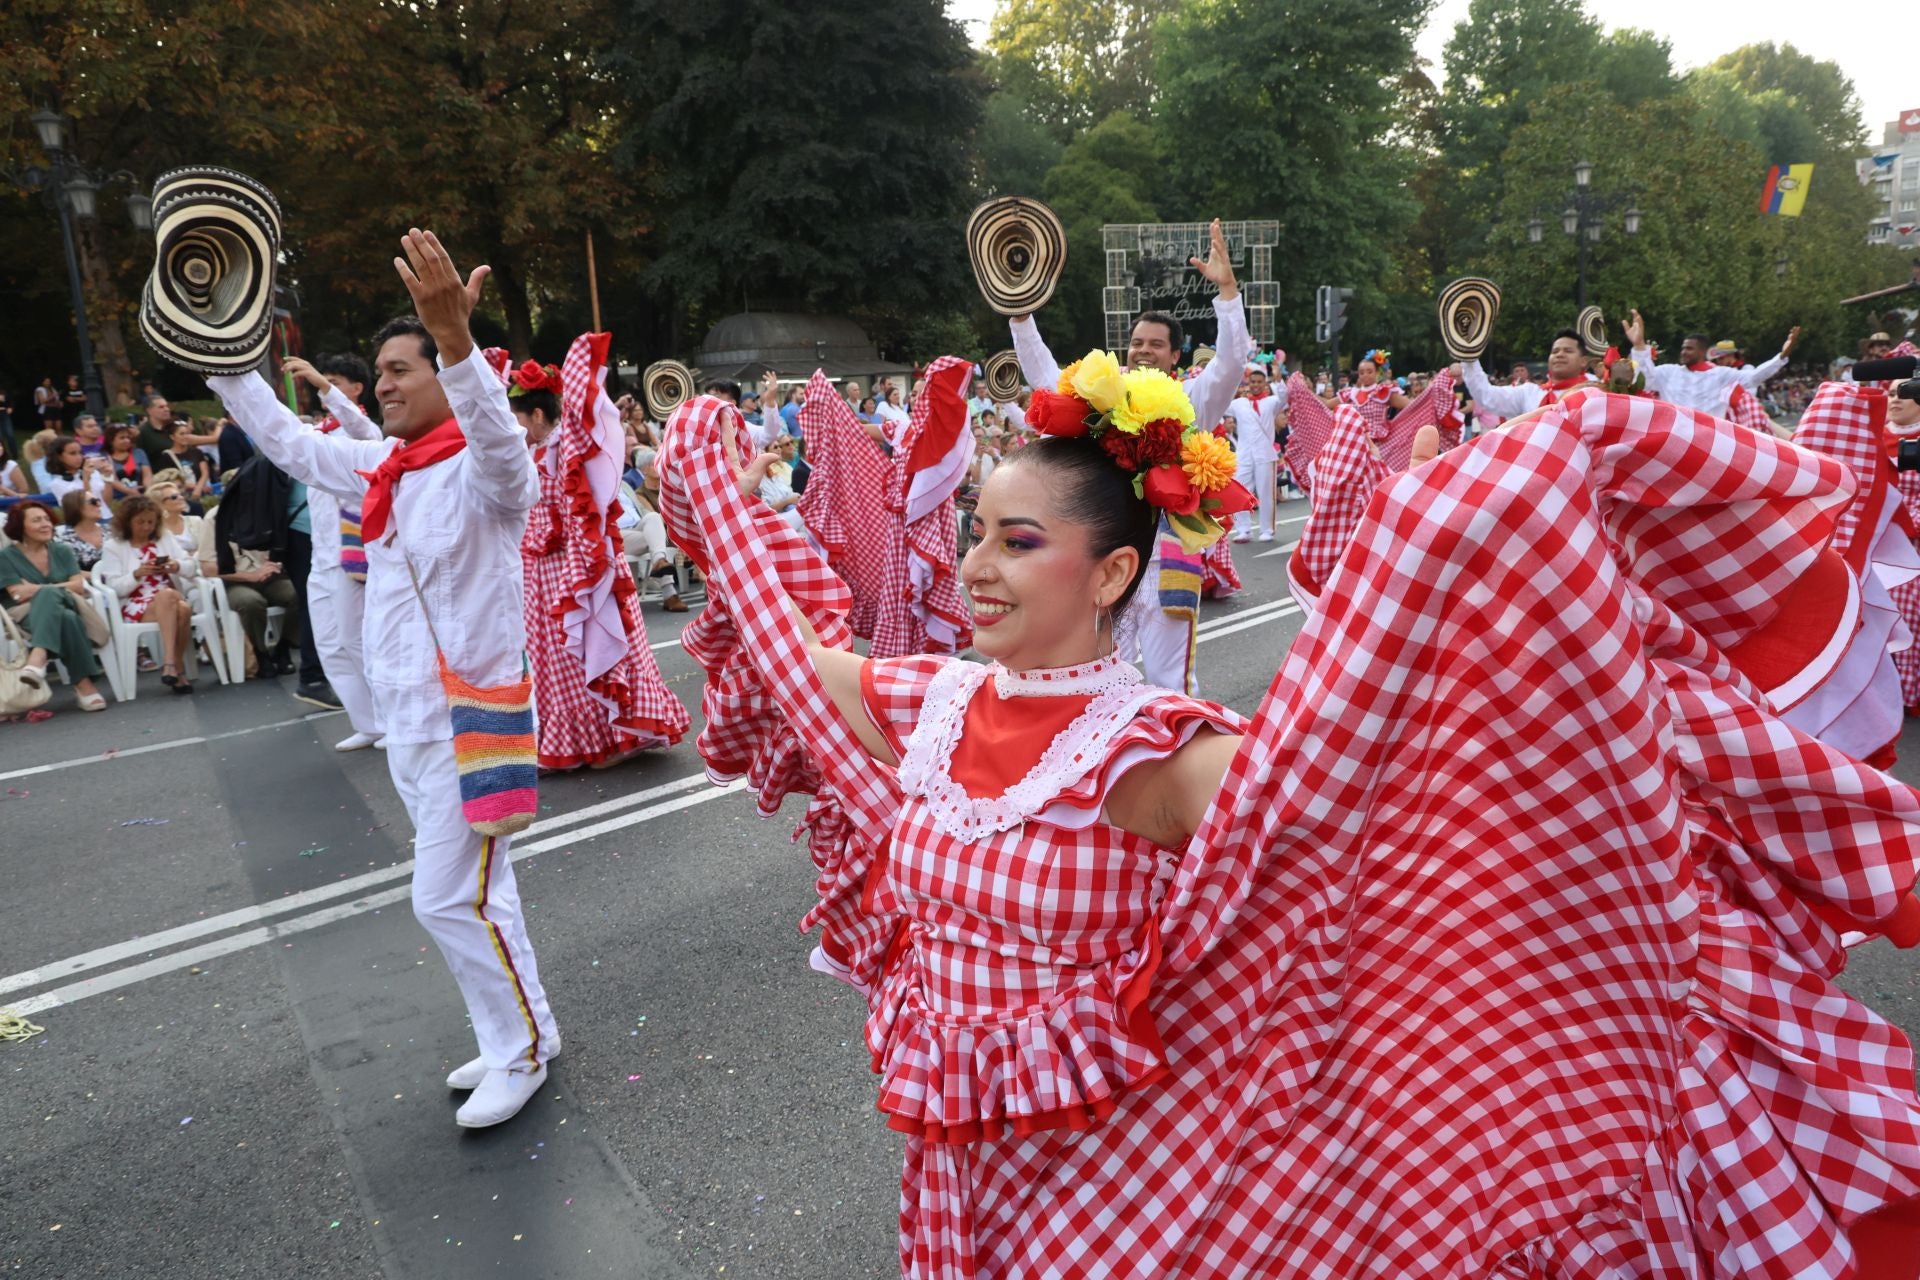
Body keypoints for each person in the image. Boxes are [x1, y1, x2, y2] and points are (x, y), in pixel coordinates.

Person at [659, 385, 1920, 1279]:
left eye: (1020, 540)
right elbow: (788, 651)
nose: (979, 566)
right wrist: (713, 489)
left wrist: (1468, 533)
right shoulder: (926, 701)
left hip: (1130, 1190)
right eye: (976, 533)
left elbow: (1364, 817)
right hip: (960, 1166)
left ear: (1108, 576)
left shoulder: (1155, 751)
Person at [207, 228, 559, 1128]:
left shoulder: (485, 474)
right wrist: (224, 357)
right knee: (485, 892)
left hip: (471, 719)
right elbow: (288, 440)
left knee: (445, 895)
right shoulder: (385, 468)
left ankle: (518, 1052)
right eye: (383, 371)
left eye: (405, 367)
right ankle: (523, 1029)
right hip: (409, 722)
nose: (387, 383)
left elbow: (502, 447)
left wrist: (457, 340)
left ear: (444, 375)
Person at [1007, 218, 1249, 695]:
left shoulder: (1193, 400)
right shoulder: (1101, 400)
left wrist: (1228, 292)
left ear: (1174, 356)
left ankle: (1175, 766)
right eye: (1138, 342)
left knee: (1167, 685)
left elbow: (1231, 364)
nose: (1143, 350)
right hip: (1104, 561)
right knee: (1095, 680)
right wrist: (1019, 316)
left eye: (1156, 345)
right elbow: (1045, 378)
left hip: (1165, 562)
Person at [508, 342, 690, 771]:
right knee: (554, 656)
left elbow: (582, 504)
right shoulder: (532, 452)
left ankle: (613, 736)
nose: (513, 425)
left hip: (577, 564)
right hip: (540, 568)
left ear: (537, 414)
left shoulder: (562, 449)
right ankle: (595, 736)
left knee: (582, 650)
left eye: (518, 415)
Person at [283, 353, 383, 746]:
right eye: (325, 382)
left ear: (357, 389)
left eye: (337, 381)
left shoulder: (365, 433)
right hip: (319, 555)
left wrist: (321, 386)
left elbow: (359, 423)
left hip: (353, 556)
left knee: (358, 640)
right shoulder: (320, 434)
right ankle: (368, 723)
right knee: (330, 644)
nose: (327, 387)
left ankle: (392, 722)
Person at [0, 501, 108, 711]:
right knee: (68, 618)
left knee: (50, 595)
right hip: (24, 613)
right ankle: (84, 685)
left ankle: (38, 657)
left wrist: (38, 589)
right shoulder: (5, 557)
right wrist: (54, 588)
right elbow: (19, 594)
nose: (46, 524)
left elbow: (78, 586)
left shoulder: (61, 550)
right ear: (20, 527)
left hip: (64, 603)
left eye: (47, 519)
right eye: (37, 520)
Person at [99, 493, 199, 693]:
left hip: (168, 593)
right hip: (136, 603)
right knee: (183, 609)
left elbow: (191, 567)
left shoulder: (165, 539)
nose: (146, 527)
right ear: (127, 523)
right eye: (140, 522)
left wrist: (175, 565)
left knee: (167, 595)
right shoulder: (113, 547)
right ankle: (176, 667)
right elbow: (113, 588)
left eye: (151, 522)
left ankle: (170, 662)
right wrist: (137, 574)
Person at [200, 484, 298, 678]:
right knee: (250, 602)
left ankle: (283, 647)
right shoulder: (215, 518)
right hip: (233, 581)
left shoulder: (266, 513)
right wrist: (250, 575)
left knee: (301, 593)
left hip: (269, 578)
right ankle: (260, 653)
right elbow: (207, 568)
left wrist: (277, 562)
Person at [1625, 311, 1798, 418]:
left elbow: (1754, 378)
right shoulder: (1668, 372)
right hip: (1673, 440)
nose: (1684, 352)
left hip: (1710, 443)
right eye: (1683, 348)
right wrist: (1639, 346)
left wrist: (1782, 356)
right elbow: (1645, 380)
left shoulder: (1721, 374)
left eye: (1690, 349)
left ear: (1702, 352)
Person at [1455, 329, 1594, 420]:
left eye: (1568, 351)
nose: (1560, 355)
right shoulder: (1531, 392)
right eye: (1555, 351)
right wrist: (1469, 356)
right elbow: (1486, 395)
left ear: (1583, 361)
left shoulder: (1595, 391)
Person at [1226, 364, 1282, 541]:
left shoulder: (1272, 402)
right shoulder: (1238, 404)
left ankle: (1267, 530)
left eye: (1259, 382)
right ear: (1248, 383)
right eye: (1253, 382)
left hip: (1265, 454)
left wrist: (1278, 378)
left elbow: (1285, 396)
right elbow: (1219, 404)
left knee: (1266, 493)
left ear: (1265, 384)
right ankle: (1244, 529)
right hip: (1244, 454)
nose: (1256, 385)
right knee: (1239, 490)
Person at [157, 420, 214, 500]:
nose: (185, 437)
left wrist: (199, 488)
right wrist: (194, 487)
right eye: (181, 434)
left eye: (187, 434)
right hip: (182, 494)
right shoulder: (167, 456)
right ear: (172, 437)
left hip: (201, 491)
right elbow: (170, 479)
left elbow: (205, 472)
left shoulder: (196, 452)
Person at [55, 490, 107, 571]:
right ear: (77, 507)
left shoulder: (113, 532)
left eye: (98, 501)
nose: (99, 505)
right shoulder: (63, 539)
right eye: (93, 502)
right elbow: (66, 571)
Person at [99, 424, 150, 498]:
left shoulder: (139, 453)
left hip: (141, 495)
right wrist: (130, 492)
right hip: (116, 499)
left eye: (128, 437)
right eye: (122, 438)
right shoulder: (103, 457)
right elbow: (112, 480)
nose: (127, 440)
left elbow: (147, 475)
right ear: (111, 440)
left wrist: (147, 490)